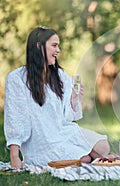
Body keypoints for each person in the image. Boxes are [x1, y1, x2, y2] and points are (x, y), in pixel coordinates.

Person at [4, 26, 110, 169]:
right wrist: (15, 156)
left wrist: (74, 100)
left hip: (63, 131)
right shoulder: (17, 79)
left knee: (103, 147)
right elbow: (16, 119)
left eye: (58, 46)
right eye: (54, 45)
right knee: (84, 158)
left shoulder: (60, 76)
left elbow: (67, 118)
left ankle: (95, 158)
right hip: (41, 140)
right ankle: (91, 159)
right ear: (38, 46)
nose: (58, 51)